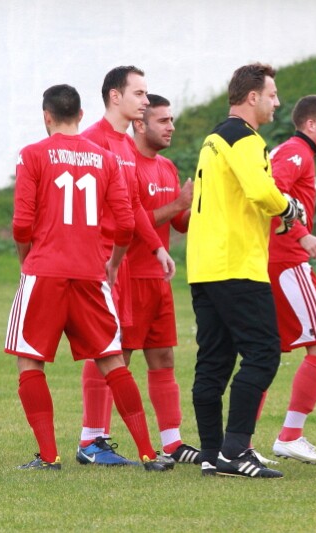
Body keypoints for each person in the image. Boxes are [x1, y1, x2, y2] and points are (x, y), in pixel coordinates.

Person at [6, 84, 173, 472]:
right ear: (81, 115)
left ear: (47, 116)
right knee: (112, 359)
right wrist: (113, 263)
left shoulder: (32, 154)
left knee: (30, 361)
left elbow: (22, 223)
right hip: (90, 273)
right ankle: (149, 453)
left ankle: (49, 457)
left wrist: (26, 261)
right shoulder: (105, 158)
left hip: (44, 271)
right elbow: (126, 224)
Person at [187, 63, 306, 479]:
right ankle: (236, 451)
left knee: (214, 360)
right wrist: (289, 208)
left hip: (204, 266)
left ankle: (211, 454)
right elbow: (260, 191)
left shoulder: (213, 138)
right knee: (263, 353)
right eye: (272, 95)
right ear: (252, 97)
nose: (277, 102)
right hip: (236, 264)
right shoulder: (245, 137)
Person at [77, 66, 177, 466]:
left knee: (110, 346)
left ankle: (97, 440)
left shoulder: (124, 146)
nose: (145, 101)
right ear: (115, 96)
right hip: (93, 262)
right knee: (103, 346)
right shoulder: (91, 141)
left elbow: (132, 204)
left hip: (116, 265)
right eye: (139, 93)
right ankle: (91, 440)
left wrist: (156, 249)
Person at [120, 94, 199, 464]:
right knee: (117, 358)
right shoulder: (126, 164)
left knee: (163, 357)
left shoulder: (167, 167)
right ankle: (94, 437)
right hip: (129, 276)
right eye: (163, 121)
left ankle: (172, 443)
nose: (171, 127)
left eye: (172, 120)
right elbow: (132, 223)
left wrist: (198, 206)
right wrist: (179, 204)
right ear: (140, 124)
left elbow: (179, 223)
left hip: (159, 279)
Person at [266, 95, 316, 465]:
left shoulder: (291, 150)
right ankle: (290, 436)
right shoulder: (297, 153)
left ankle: (239, 443)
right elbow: (271, 193)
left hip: (270, 260)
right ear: (310, 125)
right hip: (287, 262)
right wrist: (301, 234)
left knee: (263, 355)